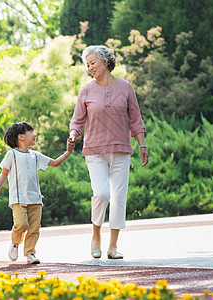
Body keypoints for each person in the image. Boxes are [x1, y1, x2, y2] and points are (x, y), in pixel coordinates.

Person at [69, 45, 149, 260]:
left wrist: (142, 145)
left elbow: (136, 120)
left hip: (121, 150)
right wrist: (73, 134)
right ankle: (96, 234)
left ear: (105, 62)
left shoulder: (126, 88)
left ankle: (113, 247)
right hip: (94, 150)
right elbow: (77, 120)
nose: (90, 67)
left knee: (119, 198)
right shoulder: (86, 90)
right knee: (102, 193)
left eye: (93, 63)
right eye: (87, 65)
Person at [0, 122, 75, 264]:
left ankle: (30, 253)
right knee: (21, 224)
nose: (35, 135)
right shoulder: (12, 154)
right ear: (21, 137)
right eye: (31, 132)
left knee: (34, 228)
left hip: (36, 199)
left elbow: (55, 162)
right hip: (18, 198)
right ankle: (15, 242)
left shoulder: (35, 155)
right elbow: (4, 173)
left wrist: (68, 152)